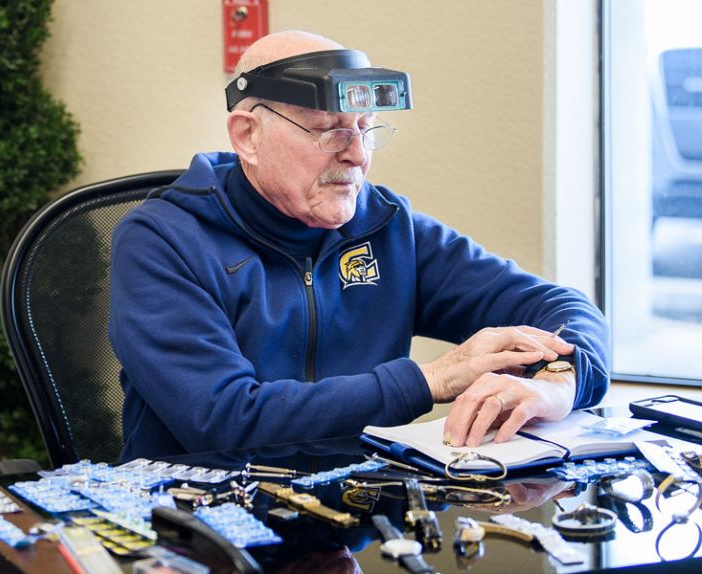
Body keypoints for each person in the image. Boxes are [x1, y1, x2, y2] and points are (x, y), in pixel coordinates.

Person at [109, 30, 609, 461]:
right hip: (201, 531)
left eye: (366, 131)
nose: (357, 157)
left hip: (358, 519)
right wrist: (431, 380)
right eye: (329, 133)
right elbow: (224, 421)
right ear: (248, 136)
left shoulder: (387, 225)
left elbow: (559, 306)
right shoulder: (161, 241)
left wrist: (560, 381)